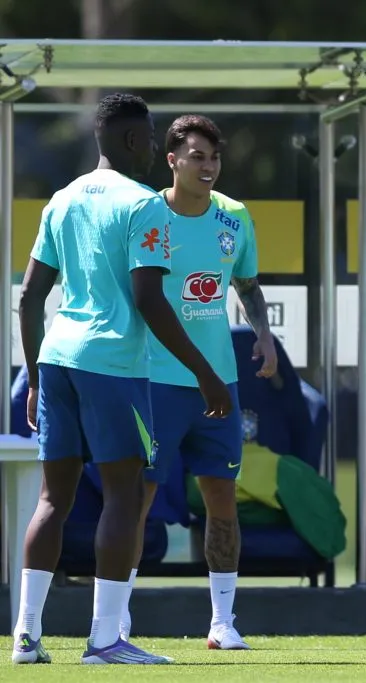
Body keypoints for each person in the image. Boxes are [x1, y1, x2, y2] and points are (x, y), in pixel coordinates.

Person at [12, 93, 233, 665]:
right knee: (124, 494)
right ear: (135, 140)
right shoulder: (144, 205)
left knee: (52, 499)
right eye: (153, 133)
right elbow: (149, 300)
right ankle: (104, 640)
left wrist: (34, 376)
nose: (156, 144)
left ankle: (26, 637)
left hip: (59, 358)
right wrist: (206, 374)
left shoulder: (61, 199)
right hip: (112, 365)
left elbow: (31, 296)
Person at [119, 114, 277, 651]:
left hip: (222, 385)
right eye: (196, 157)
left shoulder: (235, 216)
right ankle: (116, 620)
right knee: (138, 498)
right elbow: (142, 296)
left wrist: (264, 335)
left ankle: (222, 622)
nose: (207, 167)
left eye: (213, 158)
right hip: (155, 380)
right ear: (172, 161)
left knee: (222, 498)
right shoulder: (147, 214)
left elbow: (249, 286)